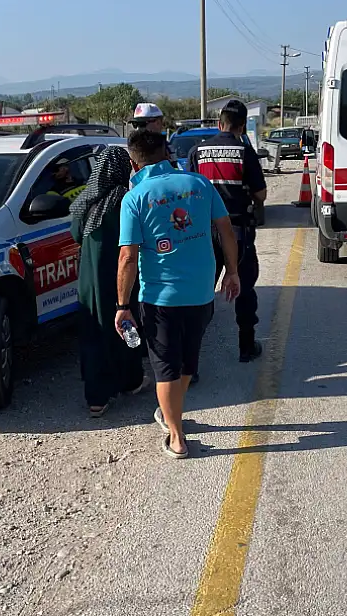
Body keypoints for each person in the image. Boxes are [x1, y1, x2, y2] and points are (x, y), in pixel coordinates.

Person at [115, 130, 240, 459]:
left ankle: (176, 436)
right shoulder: (199, 184)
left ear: (133, 162)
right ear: (168, 152)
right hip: (201, 293)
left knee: (165, 367)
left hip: (161, 299)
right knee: (187, 362)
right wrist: (233, 271)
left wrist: (122, 306)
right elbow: (225, 229)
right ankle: (170, 413)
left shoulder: (135, 198)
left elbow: (128, 256)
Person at [186, 99, 268, 363]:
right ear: (242, 126)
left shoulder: (197, 152)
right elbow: (261, 193)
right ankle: (246, 347)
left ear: (219, 123)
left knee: (200, 292)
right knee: (243, 288)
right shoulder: (245, 151)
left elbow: (188, 191)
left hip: (203, 233)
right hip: (237, 232)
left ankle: (191, 362)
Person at [70, 146, 145, 417]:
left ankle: (97, 398)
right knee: (127, 326)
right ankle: (131, 381)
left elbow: (76, 235)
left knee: (93, 334)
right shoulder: (128, 200)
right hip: (121, 279)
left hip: (91, 282)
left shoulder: (86, 203)